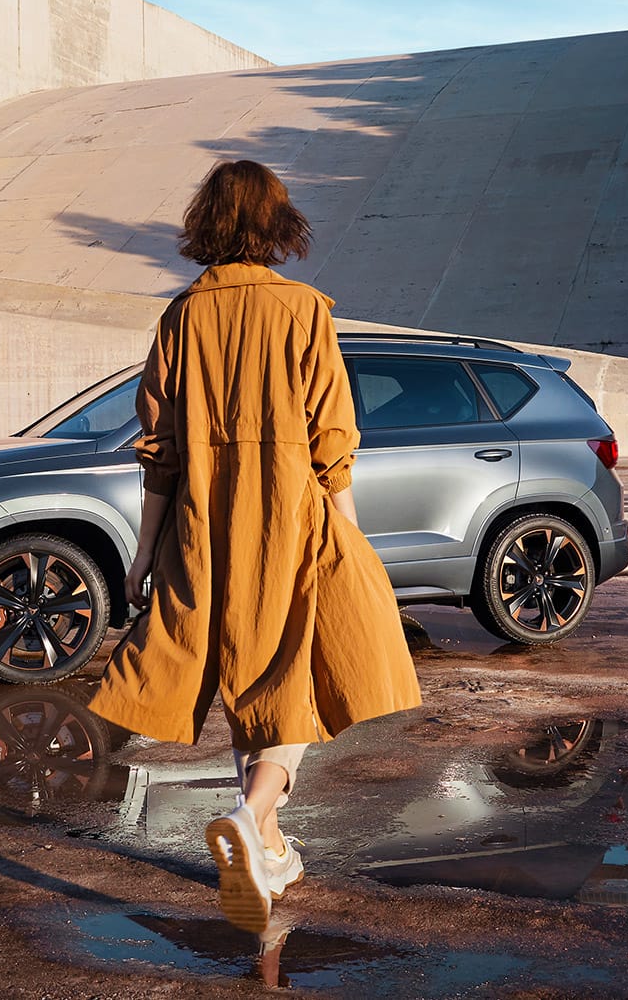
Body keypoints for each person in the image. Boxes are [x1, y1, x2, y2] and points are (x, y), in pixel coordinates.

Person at [87, 159, 421, 932]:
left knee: (247, 688)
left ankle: (266, 853)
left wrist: (143, 554)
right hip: (293, 520)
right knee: (291, 685)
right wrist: (347, 530)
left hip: (203, 525)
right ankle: (252, 813)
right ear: (276, 223)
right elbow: (332, 435)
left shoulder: (181, 317)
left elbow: (159, 450)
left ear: (207, 221)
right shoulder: (304, 311)